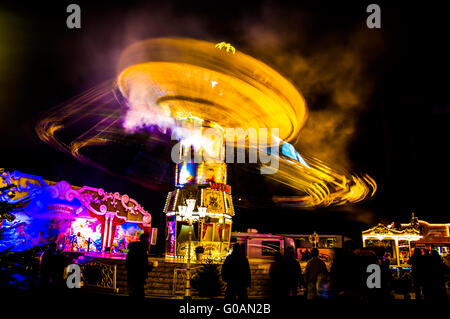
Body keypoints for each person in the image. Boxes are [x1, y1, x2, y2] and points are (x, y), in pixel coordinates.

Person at [126, 233, 152, 298]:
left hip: (131, 275)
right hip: (140, 277)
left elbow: (127, 263)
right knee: (139, 293)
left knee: (132, 293)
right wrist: (151, 267)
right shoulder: (143, 251)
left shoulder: (132, 249)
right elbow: (144, 265)